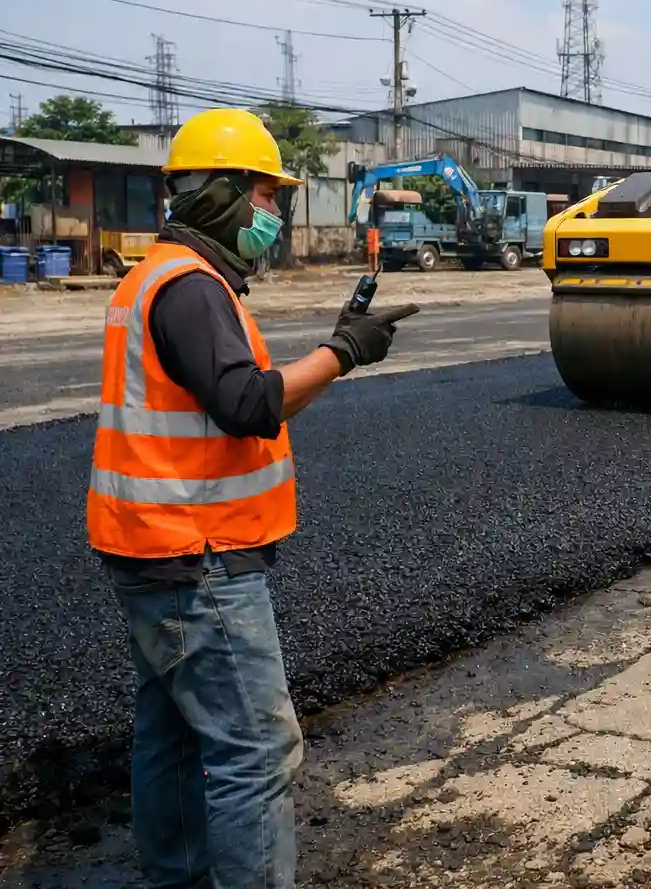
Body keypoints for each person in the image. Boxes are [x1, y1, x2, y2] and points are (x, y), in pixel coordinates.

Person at [87, 106, 421, 887]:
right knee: (256, 749)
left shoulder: (158, 277)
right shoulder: (191, 289)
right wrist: (344, 352)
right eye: (266, 196)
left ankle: (175, 878)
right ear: (223, 195)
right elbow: (247, 403)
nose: (273, 213)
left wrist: (333, 348)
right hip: (197, 556)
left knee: (173, 733)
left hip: (148, 546)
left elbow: (239, 400)